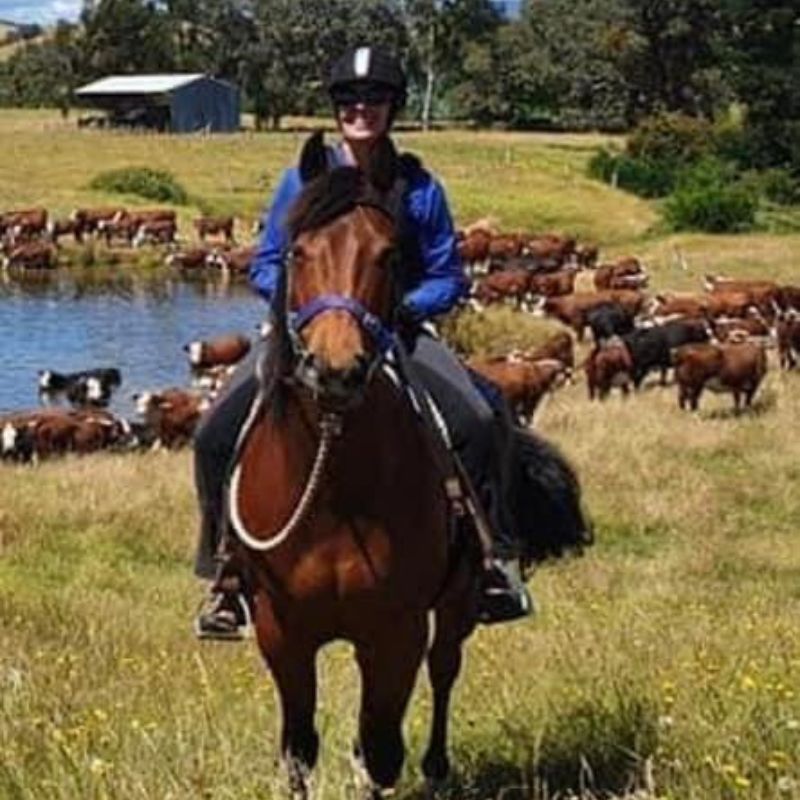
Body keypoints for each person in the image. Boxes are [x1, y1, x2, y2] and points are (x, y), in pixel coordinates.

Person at [193, 46, 532, 640]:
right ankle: (224, 571)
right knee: (215, 429)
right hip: (303, 330)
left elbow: (448, 277)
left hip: (393, 332)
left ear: (393, 107)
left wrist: (393, 310)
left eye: (374, 98)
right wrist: (309, 311)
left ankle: (493, 561)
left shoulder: (419, 187)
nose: (360, 109)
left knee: (478, 418)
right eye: (349, 99)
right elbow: (269, 263)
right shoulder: (302, 179)